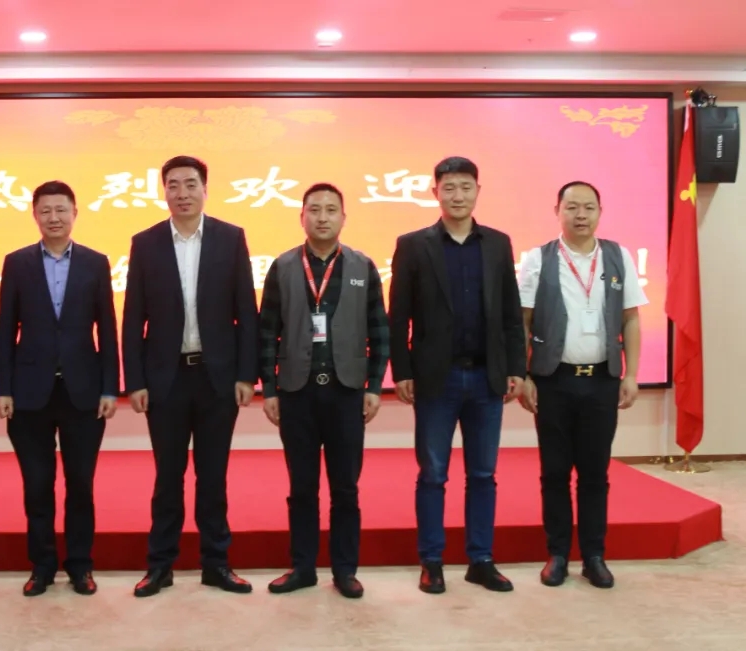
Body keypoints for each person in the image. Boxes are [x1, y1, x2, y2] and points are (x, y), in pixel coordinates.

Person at [388, 156, 526, 594]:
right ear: (435, 192)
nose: (458, 195)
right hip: (436, 380)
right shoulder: (414, 245)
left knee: (483, 474)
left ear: (477, 191)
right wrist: (402, 371)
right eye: (449, 187)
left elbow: (510, 313)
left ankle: (480, 559)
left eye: (466, 187)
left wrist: (516, 368)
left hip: (486, 378)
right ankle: (431, 560)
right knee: (433, 474)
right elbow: (399, 316)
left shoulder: (498, 244)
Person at [122, 155, 258, 597]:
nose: (182, 193)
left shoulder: (230, 238)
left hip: (217, 378)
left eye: (191, 184)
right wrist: (135, 381)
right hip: (166, 379)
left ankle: (216, 564)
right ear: (163, 191)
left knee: (213, 477)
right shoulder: (145, 243)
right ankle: (160, 566)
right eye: (173, 185)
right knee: (168, 477)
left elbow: (246, 311)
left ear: (205, 189)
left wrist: (247, 374)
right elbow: (133, 317)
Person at [258, 183, 389, 599]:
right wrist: (270, 390)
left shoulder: (363, 266)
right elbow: (267, 333)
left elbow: (379, 331)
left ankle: (345, 570)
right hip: (296, 393)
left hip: (346, 393)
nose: (322, 217)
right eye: (314, 209)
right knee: (302, 487)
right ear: (302, 217)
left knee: (346, 488)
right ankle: (302, 568)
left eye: (331, 210)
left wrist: (374, 386)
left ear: (343, 217)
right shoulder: (282, 267)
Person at [518, 181, 646, 589]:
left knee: (595, 473)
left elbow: (631, 318)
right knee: (554, 472)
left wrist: (631, 374)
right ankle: (557, 554)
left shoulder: (618, 256)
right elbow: (522, 322)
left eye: (589, 207)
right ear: (557, 211)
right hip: (553, 382)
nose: (580, 215)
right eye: (572, 207)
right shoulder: (537, 259)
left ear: (600, 212)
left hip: (602, 383)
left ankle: (594, 556)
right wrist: (525, 375)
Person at [0, 181, 119, 597]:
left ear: (74, 213)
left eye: (61, 210)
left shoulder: (96, 263)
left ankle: (81, 566)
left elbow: (108, 329)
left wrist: (110, 388)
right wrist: (3, 388)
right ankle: (42, 566)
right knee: (37, 485)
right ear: (35, 215)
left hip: (83, 392)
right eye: (45, 210)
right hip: (29, 393)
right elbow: (5, 330)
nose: (54, 218)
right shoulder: (17, 263)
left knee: (81, 484)